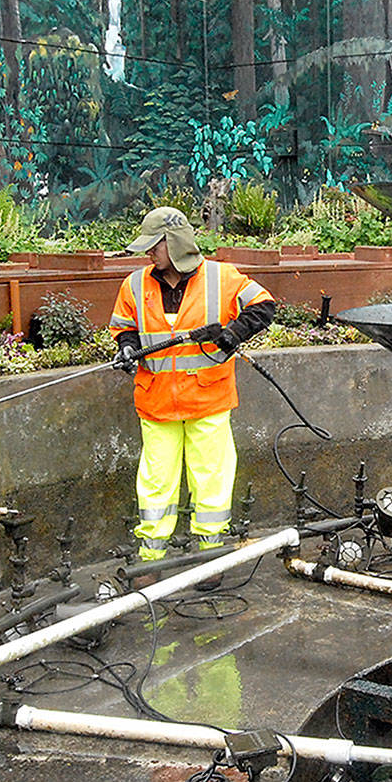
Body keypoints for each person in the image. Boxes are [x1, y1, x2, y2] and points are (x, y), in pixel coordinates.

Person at [109, 206, 275, 563]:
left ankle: (210, 557)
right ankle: (151, 558)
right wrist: (127, 349)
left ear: (176, 242)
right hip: (156, 403)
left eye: (155, 245)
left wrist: (233, 333)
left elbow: (263, 306)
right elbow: (125, 328)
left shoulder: (222, 278)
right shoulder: (135, 285)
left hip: (207, 399)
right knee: (156, 483)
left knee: (211, 478)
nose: (149, 253)